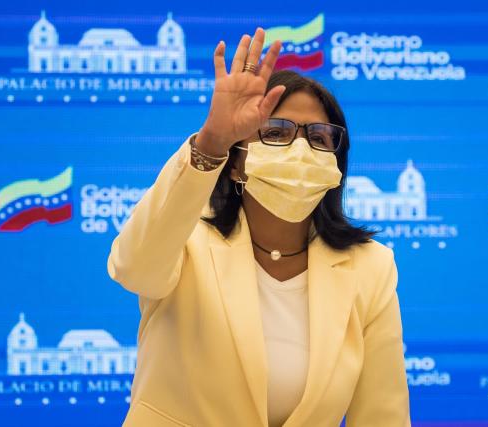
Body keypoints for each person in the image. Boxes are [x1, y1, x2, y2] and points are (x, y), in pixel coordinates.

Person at [107, 27, 411, 427]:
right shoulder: (184, 240)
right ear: (235, 162)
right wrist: (211, 141)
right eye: (276, 133)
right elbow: (134, 267)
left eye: (319, 138)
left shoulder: (371, 267)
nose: (300, 150)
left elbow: (382, 415)